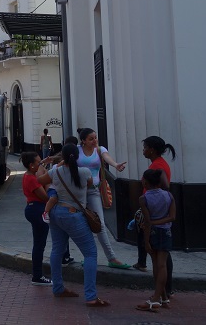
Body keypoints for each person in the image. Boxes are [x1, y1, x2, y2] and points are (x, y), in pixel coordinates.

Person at [40, 143, 108, 306]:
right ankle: (91, 296)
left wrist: (51, 187)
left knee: (57, 249)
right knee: (90, 253)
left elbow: (39, 180)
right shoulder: (84, 172)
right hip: (74, 215)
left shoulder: (55, 171)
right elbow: (91, 184)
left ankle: (58, 288)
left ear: (63, 157)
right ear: (77, 157)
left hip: (56, 213)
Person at [76, 127, 131, 269]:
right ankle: (88, 256)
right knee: (82, 225)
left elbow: (107, 158)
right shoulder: (77, 150)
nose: (94, 141)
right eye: (91, 139)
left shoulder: (100, 150)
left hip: (93, 191)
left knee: (99, 224)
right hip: (78, 193)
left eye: (95, 138)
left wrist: (116, 165)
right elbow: (65, 160)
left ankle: (112, 257)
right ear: (83, 141)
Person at [134, 136, 177, 298]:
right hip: (155, 215)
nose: (143, 150)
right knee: (161, 256)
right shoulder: (157, 165)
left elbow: (165, 187)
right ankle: (164, 292)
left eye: (145, 147)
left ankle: (163, 291)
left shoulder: (159, 166)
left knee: (160, 260)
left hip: (155, 217)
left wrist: (150, 219)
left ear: (151, 149)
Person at [136, 168, 176, 312]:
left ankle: (155, 299)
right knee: (162, 265)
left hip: (152, 232)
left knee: (157, 265)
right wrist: (160, 222)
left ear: (145, 182)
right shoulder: (168, 196)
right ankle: (163, 298)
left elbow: (147, 222)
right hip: (166, 231)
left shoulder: (144, 198)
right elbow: (172, 217)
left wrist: (146, 240)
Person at [21, 152, 52, 286]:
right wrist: (48, 184)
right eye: (38, 163)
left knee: (38, 244)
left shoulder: (28, 175)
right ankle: (38, 275)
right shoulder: (32, 179)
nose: (40, 165)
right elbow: (45, 197)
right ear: (31, 165)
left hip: (33, 208)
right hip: (37, 210)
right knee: (40, 244)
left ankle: (37, 274)